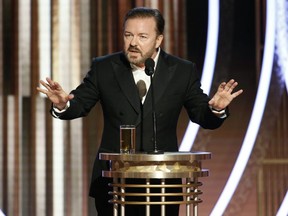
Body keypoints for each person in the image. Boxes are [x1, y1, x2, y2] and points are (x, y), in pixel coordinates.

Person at [37, 7, 243, 216]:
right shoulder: (105, 67)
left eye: (142, 36)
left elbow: (201, 114)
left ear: (158, 40)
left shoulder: (181, 70)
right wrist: (63, 104)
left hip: (162, 184)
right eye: (128, 35)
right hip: (113, 181)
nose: (133, 42)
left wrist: (216, 109)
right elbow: (79, 104)